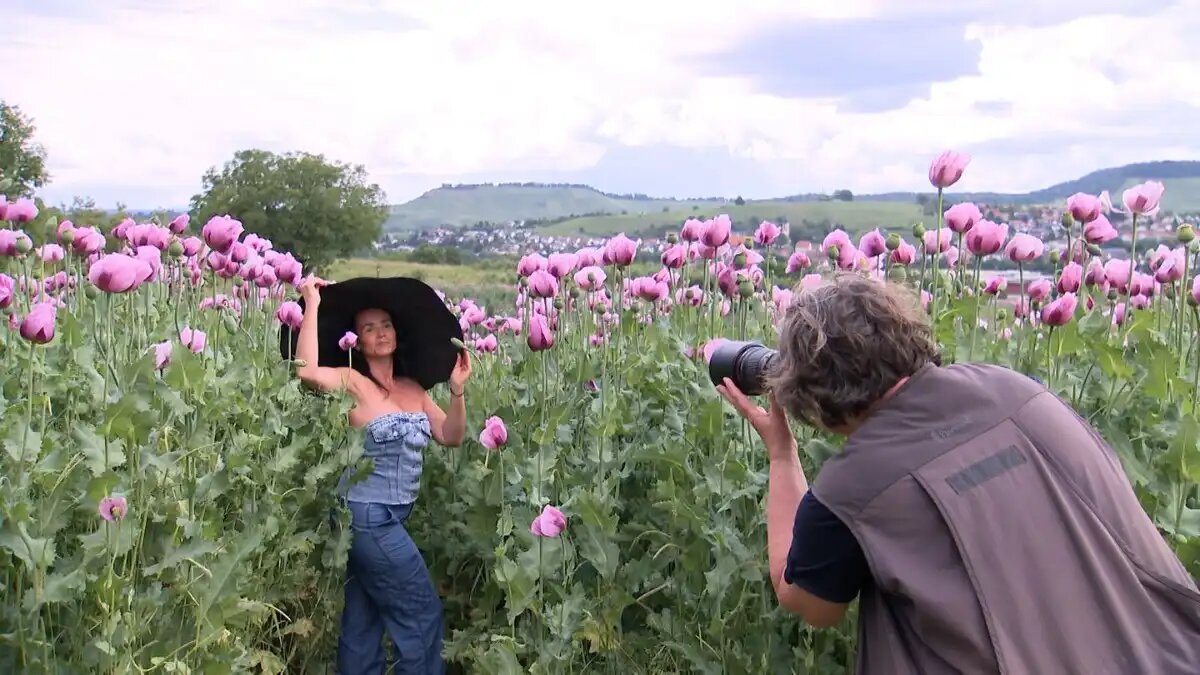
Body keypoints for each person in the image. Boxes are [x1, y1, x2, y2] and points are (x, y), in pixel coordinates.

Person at [716, 272, 1200, 674]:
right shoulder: (1021, 393)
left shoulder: (852, 488)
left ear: (809, 393)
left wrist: (782, 455)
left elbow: (807, 602)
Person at [293, 274, 470, 675]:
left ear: (397, 332)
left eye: (385, 325)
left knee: (364, 618)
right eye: (368, 328)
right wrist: (312, 304)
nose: (380, 333)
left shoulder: (414, 389)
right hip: (367, 514)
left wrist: (457, 390)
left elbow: (451, 436)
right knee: (421, 614)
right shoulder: (353, 381)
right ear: (356, 339)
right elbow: (305, 371)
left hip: (389, 517)